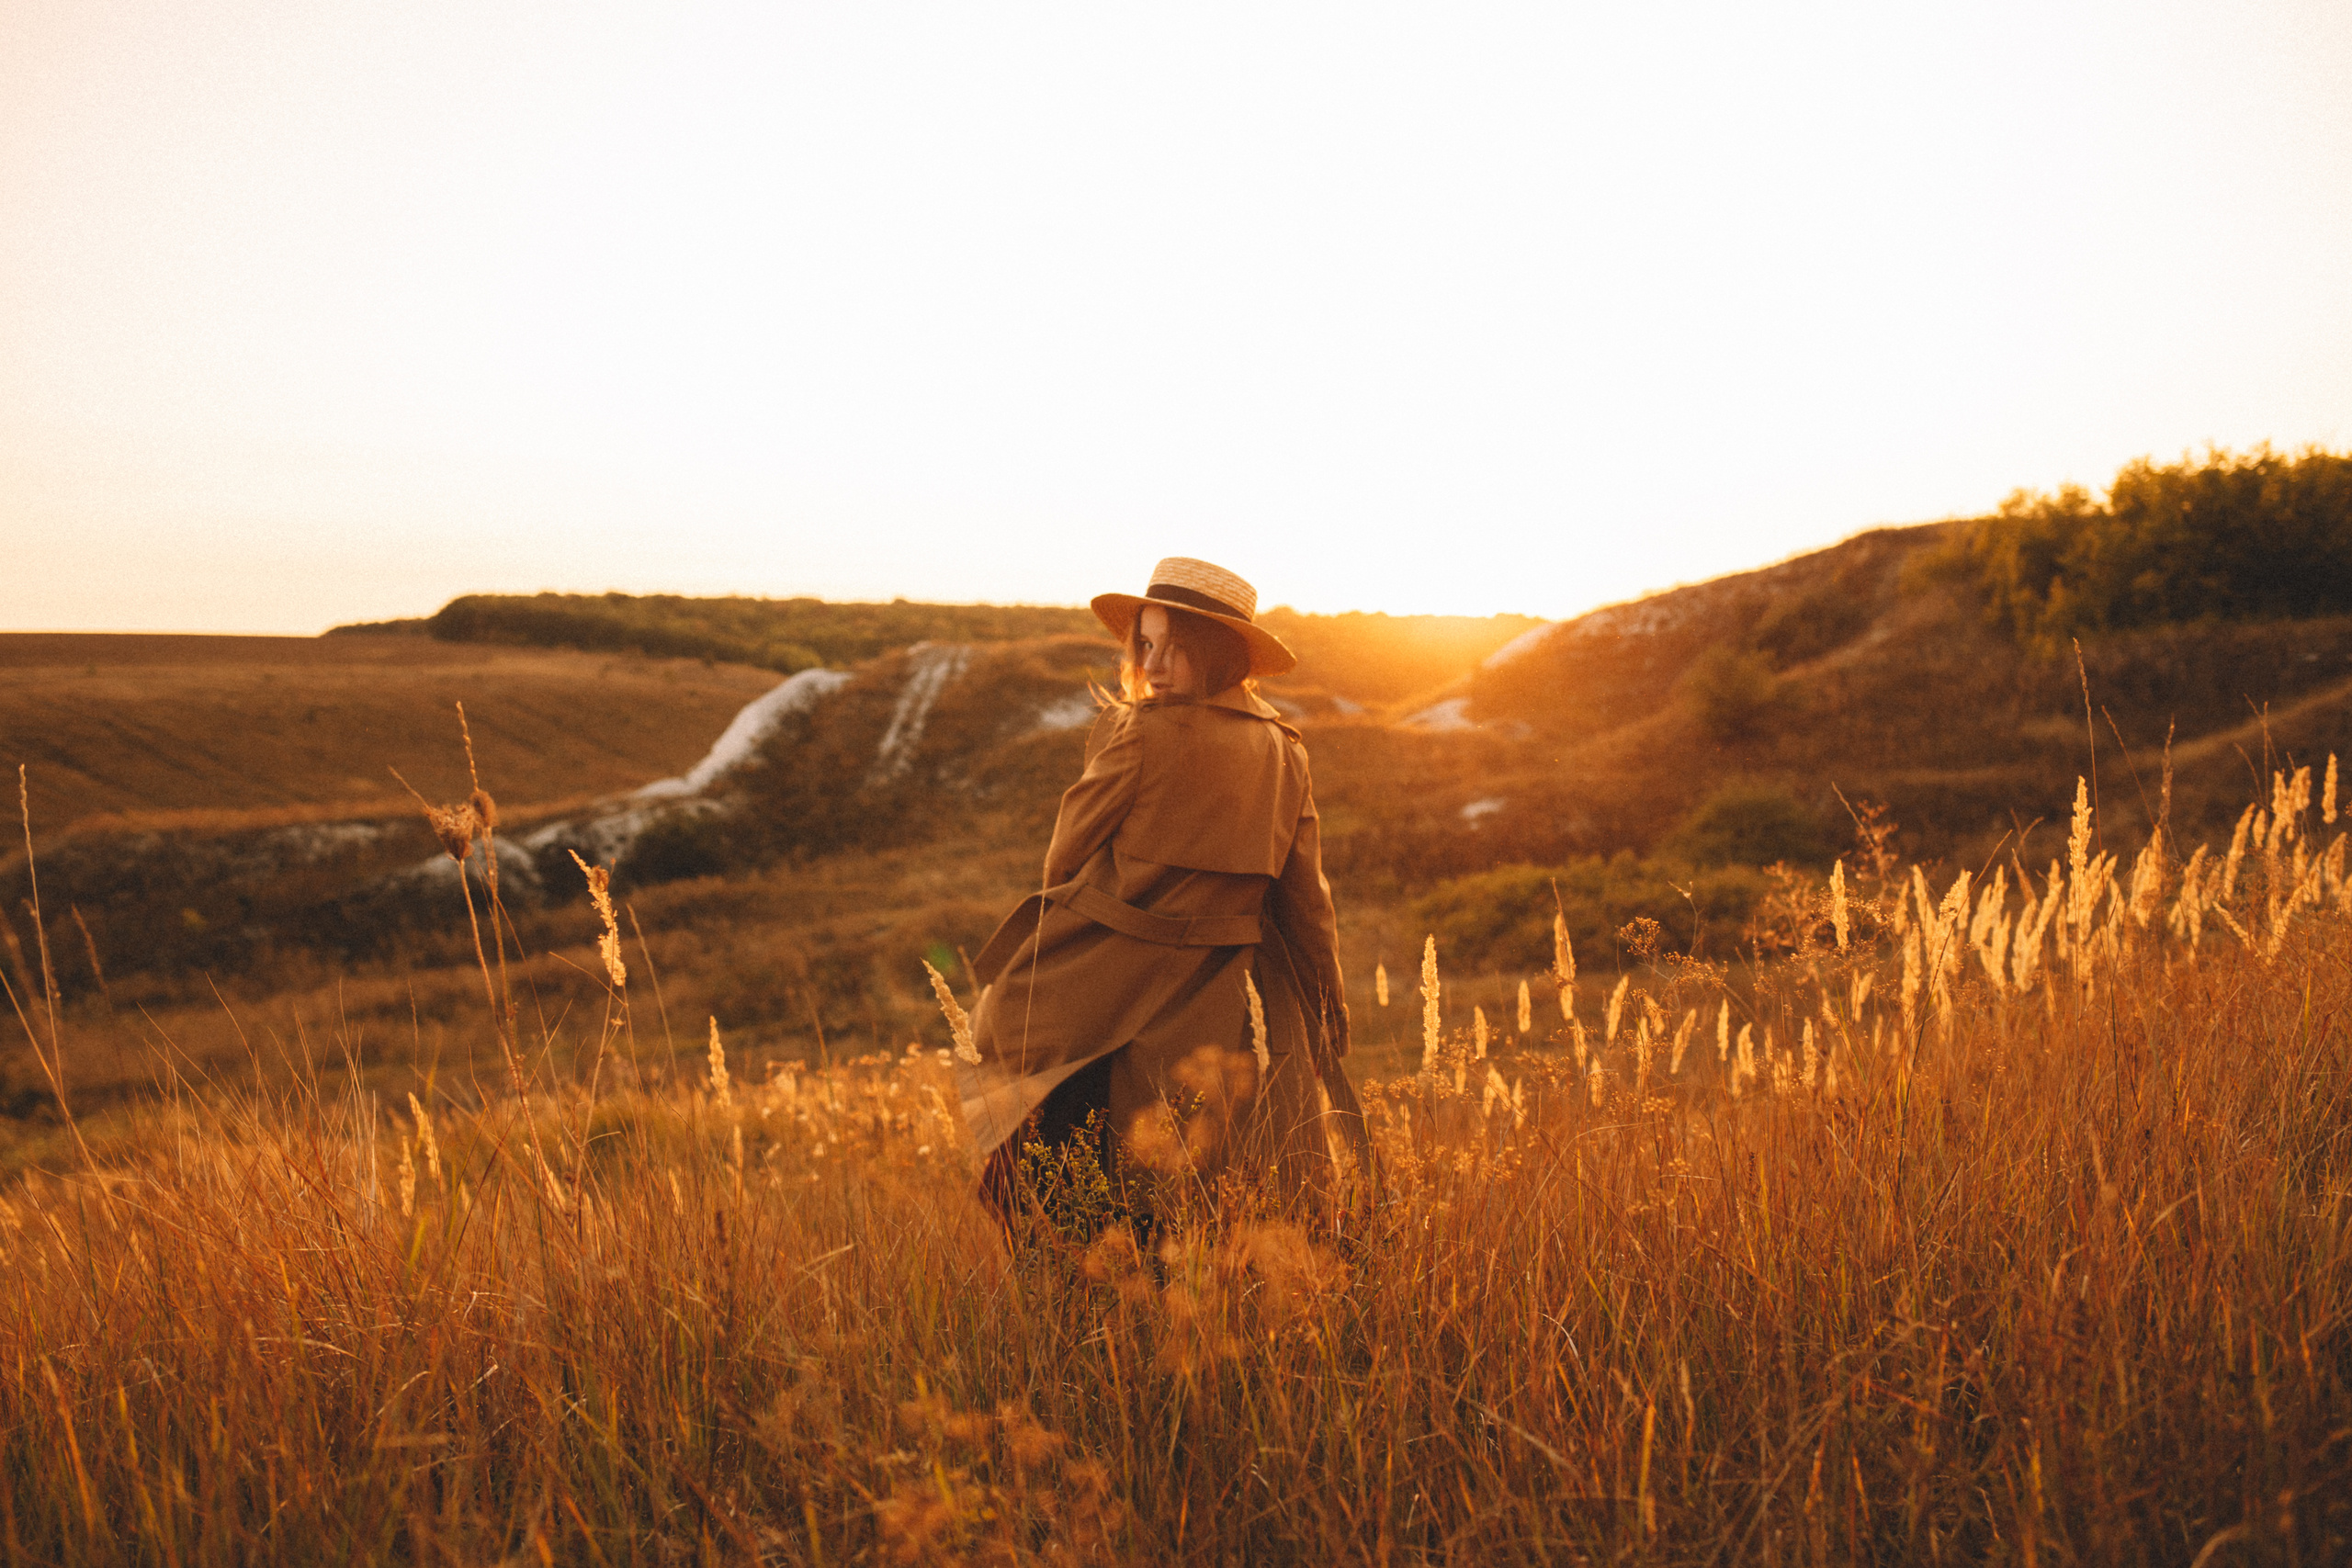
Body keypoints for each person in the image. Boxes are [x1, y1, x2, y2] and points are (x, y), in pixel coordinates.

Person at [954, 557, 1369, 1237]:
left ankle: (1083, 1303)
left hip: (1113, 982)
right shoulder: (1286, 750)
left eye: (1175, 646)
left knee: (1060, 1143)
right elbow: (1306, 904)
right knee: (1211, 1176)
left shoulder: (1138, 733)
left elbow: (1065, 857)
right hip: (1227, 993)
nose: (1155, 664)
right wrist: (1327, 1007)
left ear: (1219, 653)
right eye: (1145, 645)